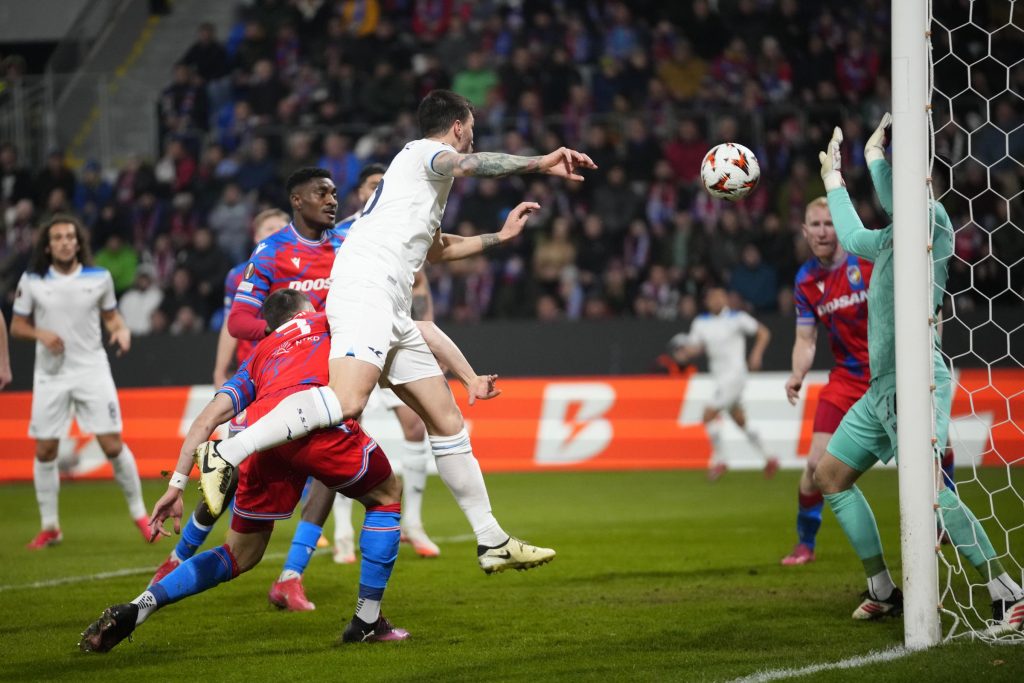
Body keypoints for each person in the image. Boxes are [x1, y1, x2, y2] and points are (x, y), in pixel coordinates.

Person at [197, 89, 597, 574]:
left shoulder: (418, 193)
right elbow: (467, 165)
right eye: (470, 127)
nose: (473, 136)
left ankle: (491, 539)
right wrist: (541, 162)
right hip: (366, 285)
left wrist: (501, 237)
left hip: (389, 299)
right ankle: (228, 451)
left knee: (447, 419)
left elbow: (437, 249)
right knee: (346, 403)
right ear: (457, 125)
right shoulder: (425, 153)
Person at [79, 290, 416, 652]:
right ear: (305, 310)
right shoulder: (327, 321)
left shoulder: (257, 356)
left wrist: (176, 485)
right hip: (314, 420)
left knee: (239, 554)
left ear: (270, 327)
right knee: (385, 497)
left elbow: (206, 419)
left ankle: (141, 606)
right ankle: (366, 621)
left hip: (261, 433)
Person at [815, 118, 1023, 632]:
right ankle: (883, 590)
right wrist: (833, 181)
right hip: (880, 387)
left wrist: (876, 158)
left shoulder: (932, 223)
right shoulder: (889, 240)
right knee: (831, 476)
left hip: (917, 380)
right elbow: (851, 233)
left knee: (930, 490)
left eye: (915, 178)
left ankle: (1008, 591)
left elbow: (899, 199)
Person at [10, 215, 151, 548]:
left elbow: (112, 318)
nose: (64, 242)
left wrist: (122, 331)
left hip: (91, 369)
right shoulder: (33, 280)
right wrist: (39, 333)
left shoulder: (98, 277)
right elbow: (17, 325)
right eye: (57, 237)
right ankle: (50, 527)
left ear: (78, 242)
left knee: (112, 444)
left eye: (69, 236)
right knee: (45, 449)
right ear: (48, 245)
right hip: (50, 375)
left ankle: (141, 515)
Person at [331, 163, 440, 564]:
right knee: (347, 427)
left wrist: (426, 335)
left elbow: (421, 286)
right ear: (360, 192)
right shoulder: (342, 232)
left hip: (396, 338)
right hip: (357, 338)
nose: (381, 191)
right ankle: (342, 531)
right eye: (375, 185)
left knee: (416, 425)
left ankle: (413, 523)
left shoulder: (403, 231)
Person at [780, 198, 872, 565]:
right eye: (814, 225)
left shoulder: (867, 259)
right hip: (847, 379)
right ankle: (806, 543)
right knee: (816, 465)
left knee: (932, 445)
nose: (821, 232)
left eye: (829, 224)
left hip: (889, 371)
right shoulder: (806, 281)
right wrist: (798, 373)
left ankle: (944, 518)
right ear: (804, 231)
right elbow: (806, 339)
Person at [674, 286, 776, 481]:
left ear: (725, 299)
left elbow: (764, 332)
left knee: (708, 413)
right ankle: (770, 457)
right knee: (739, 420)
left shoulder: (737, 318)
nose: (716, 300)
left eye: (719, 296)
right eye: (712, 297)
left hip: (736, 375)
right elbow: (696, 347)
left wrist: (756, 354)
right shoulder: (701, 323)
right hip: (720, 378)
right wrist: (684, 353)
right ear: (707, 301)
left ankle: (721, 460)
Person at [211, 208, 290, 387]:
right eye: (270, 228)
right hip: (253, 368)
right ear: (256, 237)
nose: (277, 231)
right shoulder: (238, 275)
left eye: (282, 228)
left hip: (297, 363)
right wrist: (219, 372)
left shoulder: (307, 270)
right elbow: (230, 324)